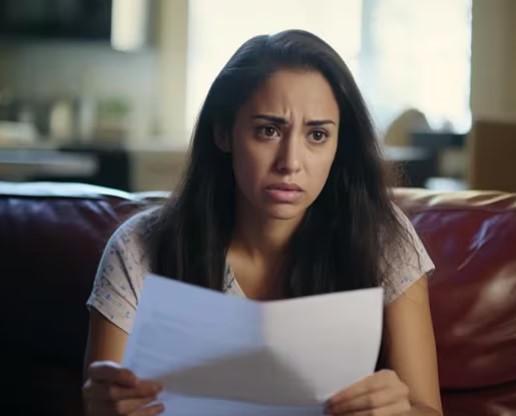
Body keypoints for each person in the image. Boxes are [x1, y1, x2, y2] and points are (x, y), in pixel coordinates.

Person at [82, 30, 442, 416]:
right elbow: (102, 401)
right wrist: (103, 408)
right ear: (224, 132)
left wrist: (401, 412)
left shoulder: (382, 236)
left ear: (340, 145)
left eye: (317, 135)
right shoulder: (138, 247)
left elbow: (427, 410)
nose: (290, 162)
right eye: (268, 131)